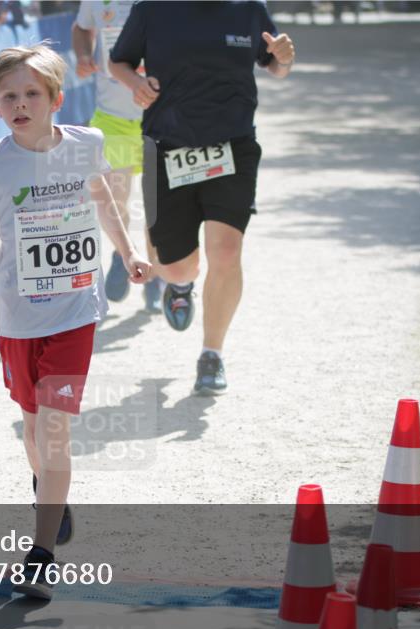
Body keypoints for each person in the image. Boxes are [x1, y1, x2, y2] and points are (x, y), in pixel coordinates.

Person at [0, 43, 150, 599]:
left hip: (75, 311)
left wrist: (128, 252)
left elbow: (105, 201)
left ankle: (40, 556)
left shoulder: (86, 145)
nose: (20, 104)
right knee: (31, 424)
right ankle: (48, 490)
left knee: (53, 426)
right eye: (8, 96)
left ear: (55, 99)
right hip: (18, 316)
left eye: (31, 94)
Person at [109, 1, 294, 395]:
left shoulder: (248, 9)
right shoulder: (152, 10)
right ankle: (179, 287)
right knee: (175, 268)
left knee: (226, 252)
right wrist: (136, 84)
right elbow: (118, 62)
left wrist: (283, 60)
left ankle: (212, 353)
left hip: (233, 146)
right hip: (168, 146)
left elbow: (274, 63)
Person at [73, 0, 163, 311]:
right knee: (116, 198)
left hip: (160, 115)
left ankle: (154, 277)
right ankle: (123, 253)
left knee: (156, 204)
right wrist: (84, 55)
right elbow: (82, 28)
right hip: (111, 116)